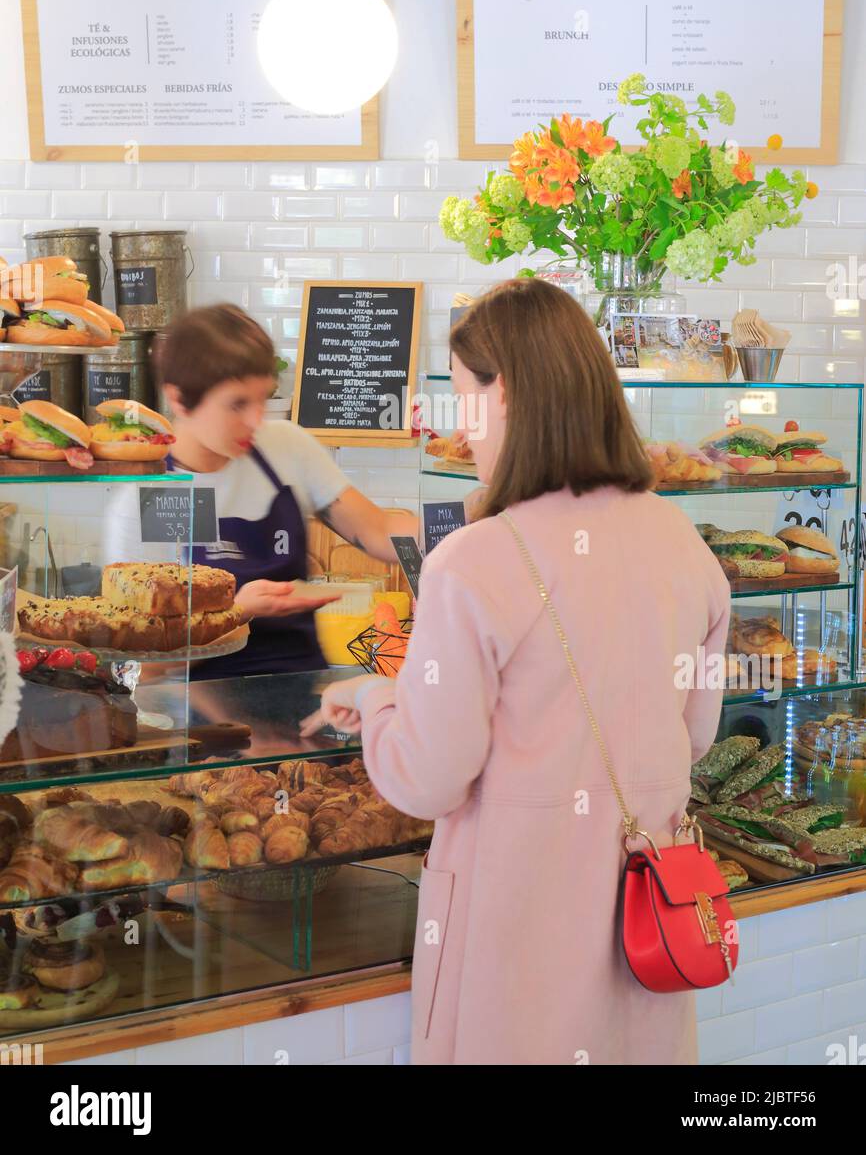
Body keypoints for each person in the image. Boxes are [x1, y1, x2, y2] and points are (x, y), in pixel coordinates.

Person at [302, 277, 731, 1066]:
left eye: (465, 394)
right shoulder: (683, 539)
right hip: (645, 929)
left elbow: (428, 779)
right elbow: (695, 737)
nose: (462, 427)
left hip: (516, 930)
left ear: (508, 396)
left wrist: (373, 693)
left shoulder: (476, 559)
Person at [104, 304, 414, 678]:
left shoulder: (285, 446)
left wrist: (468, 528)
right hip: (202, 716)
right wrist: (238, 612)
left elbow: (377, 531)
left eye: (262, 399)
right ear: (179, 398)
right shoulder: (148, 497)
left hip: (300, 693)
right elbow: (146, 663)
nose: (256, 420)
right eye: (237, 404)